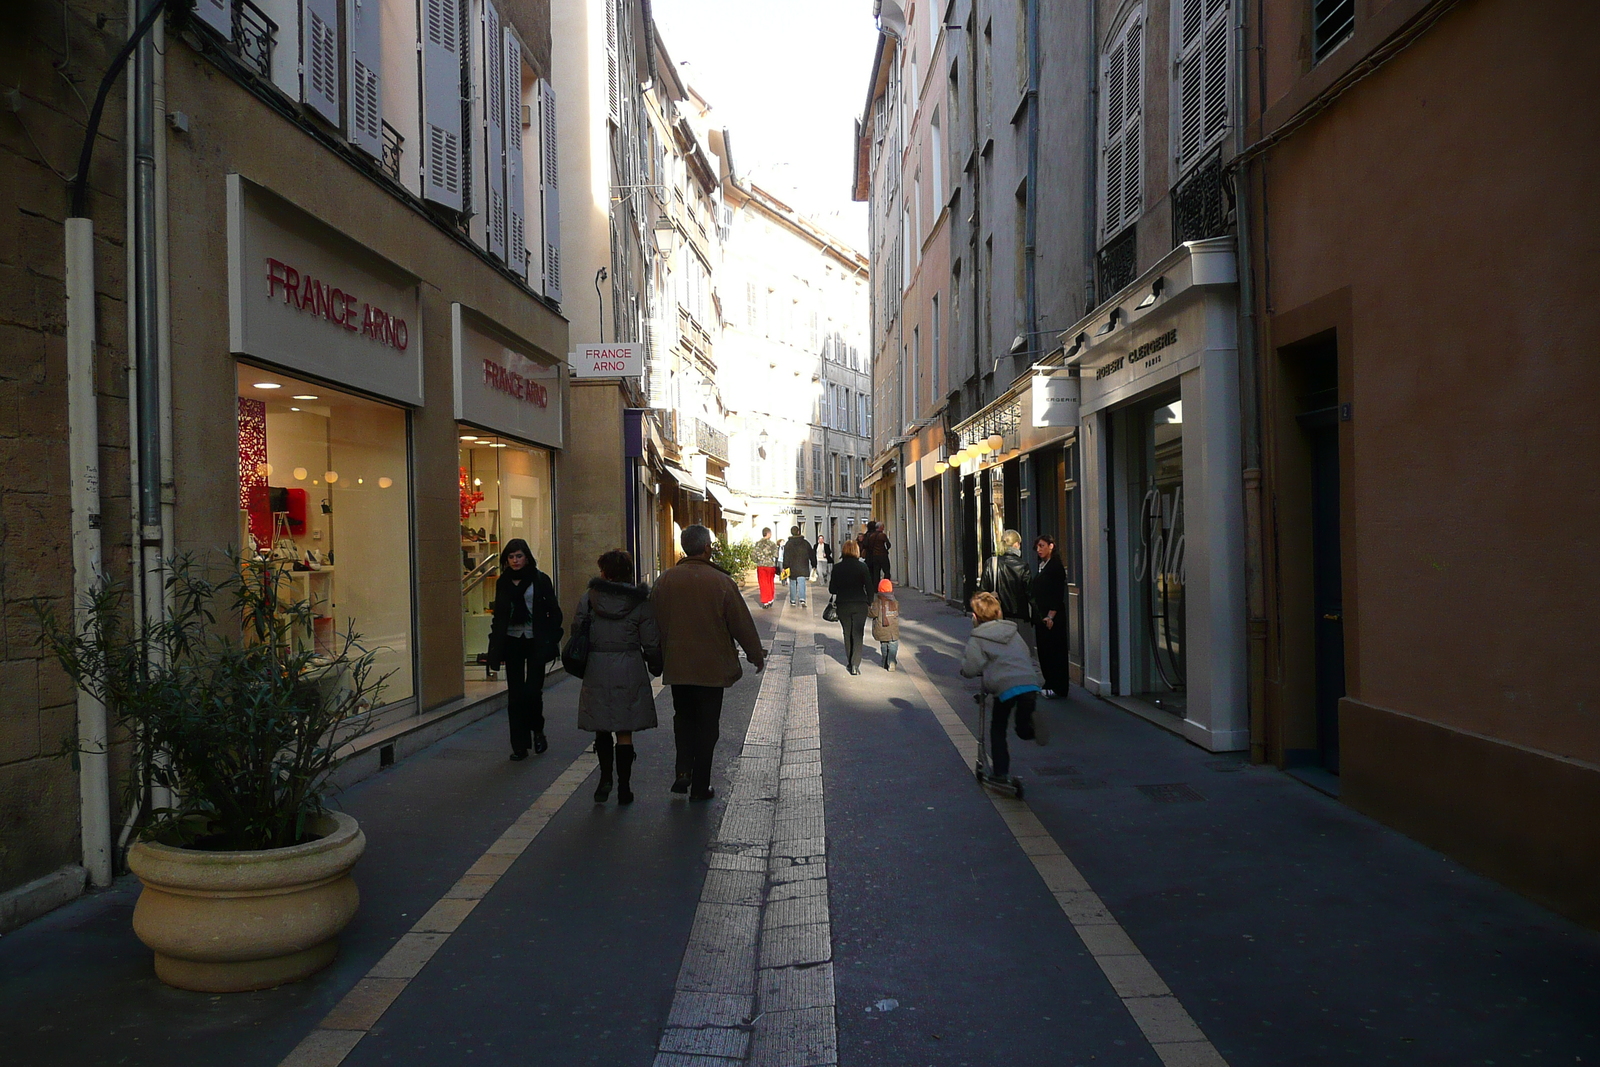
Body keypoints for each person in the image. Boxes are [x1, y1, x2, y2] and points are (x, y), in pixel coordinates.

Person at [651, 525, 767, 800]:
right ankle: (700, 784)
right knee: (707, 726)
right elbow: (740, 623)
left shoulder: (665, 580)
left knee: (683, 719)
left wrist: (654, 657)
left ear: (683, 548)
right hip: (711, 668)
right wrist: (755, 654)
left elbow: (652, 621)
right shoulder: (721, 582)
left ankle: (682, 771)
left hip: (678, 665)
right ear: (707, 548)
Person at [573, 549, 662, 804]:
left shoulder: (589, 599)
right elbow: (651, 640)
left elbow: (578, 630)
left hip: (597, 666)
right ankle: (625, 787)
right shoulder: (640, 602)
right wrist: (656, 664)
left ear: (604, 572)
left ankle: (604, 780)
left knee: (601, 727)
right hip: (629, 666)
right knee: (624, 730)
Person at [486, 538, 563, 761]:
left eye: (519, 556)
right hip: (512, 641)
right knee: (515, 695)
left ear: (526, 557)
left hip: (535, 641)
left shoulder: (540, 580)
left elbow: (553, 612)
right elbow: (499, 617)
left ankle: (538, 731)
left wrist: (551, 638)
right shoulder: (503, 583)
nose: (515, 561)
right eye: (511, 557)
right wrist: (494, 647)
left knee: (532, 692)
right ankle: (519, 745)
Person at [960, 592, 1045, 779]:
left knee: (998, 728)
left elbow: (970, 667)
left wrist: (966, 671)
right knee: (1021, 728)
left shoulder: (978, 637)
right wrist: (1038, 679)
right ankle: (1030, 729)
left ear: (975, 617)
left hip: (1005, 686)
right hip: (1029, 683)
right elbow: (1027, 656)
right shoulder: (1013, 632)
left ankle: (1001, 773)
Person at [980, 529, 1035, 647]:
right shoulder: (1022, 566)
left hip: (996, 617)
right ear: (1016, 545)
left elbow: (982, 591)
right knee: (1020, 654)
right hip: (1019, 618)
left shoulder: (991, 563)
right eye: (1019, 544)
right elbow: (1030, 594)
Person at [1032, 535, 1070, 699]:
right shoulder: (1043, 565)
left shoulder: (1055, 567)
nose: (1039, 550)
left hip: (1051, 618)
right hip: (1041, 615)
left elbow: (1057, 594)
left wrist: (1051, 616)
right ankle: (1049, 682)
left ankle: (1057, 685)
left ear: (1051, 546)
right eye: (1037, 547)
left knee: (1054, 651)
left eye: (1042, 546)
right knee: (1044, 651)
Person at [829, 539, 873, 674]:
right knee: (858, 634)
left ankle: (850, 662)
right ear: (856, 551)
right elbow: (870, 587)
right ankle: (855, 664)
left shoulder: (837, 567)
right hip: (860, 604)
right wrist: (869, 602)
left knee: (847, 633)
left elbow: (832, 589)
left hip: (843, 604)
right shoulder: (862, 567)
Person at [868, 578, 900, 670]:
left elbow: (873, 614)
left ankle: (885, 661)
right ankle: (892, 661)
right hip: (893, 629)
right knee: (893, 644)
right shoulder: (895, 601)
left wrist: (868, 608)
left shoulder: (877, 602)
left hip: (881, 627)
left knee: (884, 644)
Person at [782, 525, 816, 607]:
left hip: (792, 567)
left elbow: (786, 556)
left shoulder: (788, 544)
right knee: (802, 582)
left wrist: (785, 566)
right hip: (802, 566)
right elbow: (811, 554)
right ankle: (802, 599)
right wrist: (814, 564)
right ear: (798, 532)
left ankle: (793, 600)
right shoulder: (805, 543)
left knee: (793, 583)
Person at [752, 527, 780, 608]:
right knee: (770, 581)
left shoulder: (758, 544)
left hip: (761, 565)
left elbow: (753, 555)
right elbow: (776, 555)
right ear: (768, 534)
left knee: (763, 583)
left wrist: (758, 560)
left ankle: (765, 600)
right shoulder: (772, 544)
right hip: (770, 566)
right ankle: (770, 598)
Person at [862, 520, 892, 587]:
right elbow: (888, 545)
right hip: (883, 555)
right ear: (880, 527)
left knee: (876, 572)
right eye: (883, 527)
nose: (883, 528)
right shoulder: (882, 535)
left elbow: (868, 545)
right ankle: (886, 586)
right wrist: (885, 549)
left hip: (874, 556)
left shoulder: (871, 536)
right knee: (886, 571)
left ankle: (876, 587)